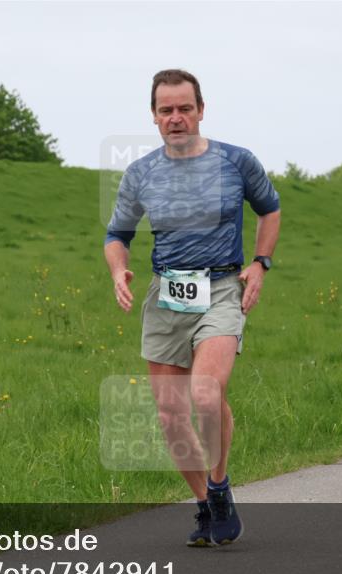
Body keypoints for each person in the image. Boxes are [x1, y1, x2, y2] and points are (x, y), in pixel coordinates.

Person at [104, 69, 281, 544]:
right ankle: (205, 504)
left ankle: (220, 486)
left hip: (222, 287)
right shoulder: (141, 173)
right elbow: (116, 235)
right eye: (167, 110)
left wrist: (261, 262)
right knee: (169, 414)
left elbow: (270, 208)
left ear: (201, 109)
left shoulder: (236, 162)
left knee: (205, 393)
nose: (176, 118)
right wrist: (118, 268)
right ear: (154, 117)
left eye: (185, 108)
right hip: (166, 295)